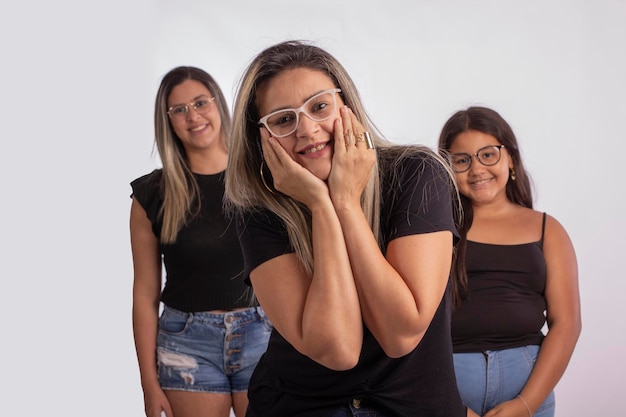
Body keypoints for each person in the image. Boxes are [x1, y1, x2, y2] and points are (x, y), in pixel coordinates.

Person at [224, 40, 466, 417]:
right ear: (262, 138)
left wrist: (346, 203)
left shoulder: (417, 173)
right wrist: (321, 206)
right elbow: (338, 349)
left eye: (319, 106)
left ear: (346, 106)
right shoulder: (258, 210)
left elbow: (400, 334)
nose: (306, 129)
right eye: (284, 120)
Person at [129, 66, 272, 417]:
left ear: (218, 103)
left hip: (265, 334)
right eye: (179, 110)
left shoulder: (262, 175)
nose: (193, 116)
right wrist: (149, 383)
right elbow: (145, 294)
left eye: (200, 102)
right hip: (187, 343)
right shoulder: (152, 193)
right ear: (169, 122)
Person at [438, 106, 581, 417]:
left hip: (529, 387)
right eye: (462, 160)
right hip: (451, 389)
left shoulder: (548, 230)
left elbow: (567, 324)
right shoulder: (437, 229)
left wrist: (526, 405)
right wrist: (452, 407)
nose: (477, 169)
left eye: (488, 154)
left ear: (511, 158)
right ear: (448, 168)